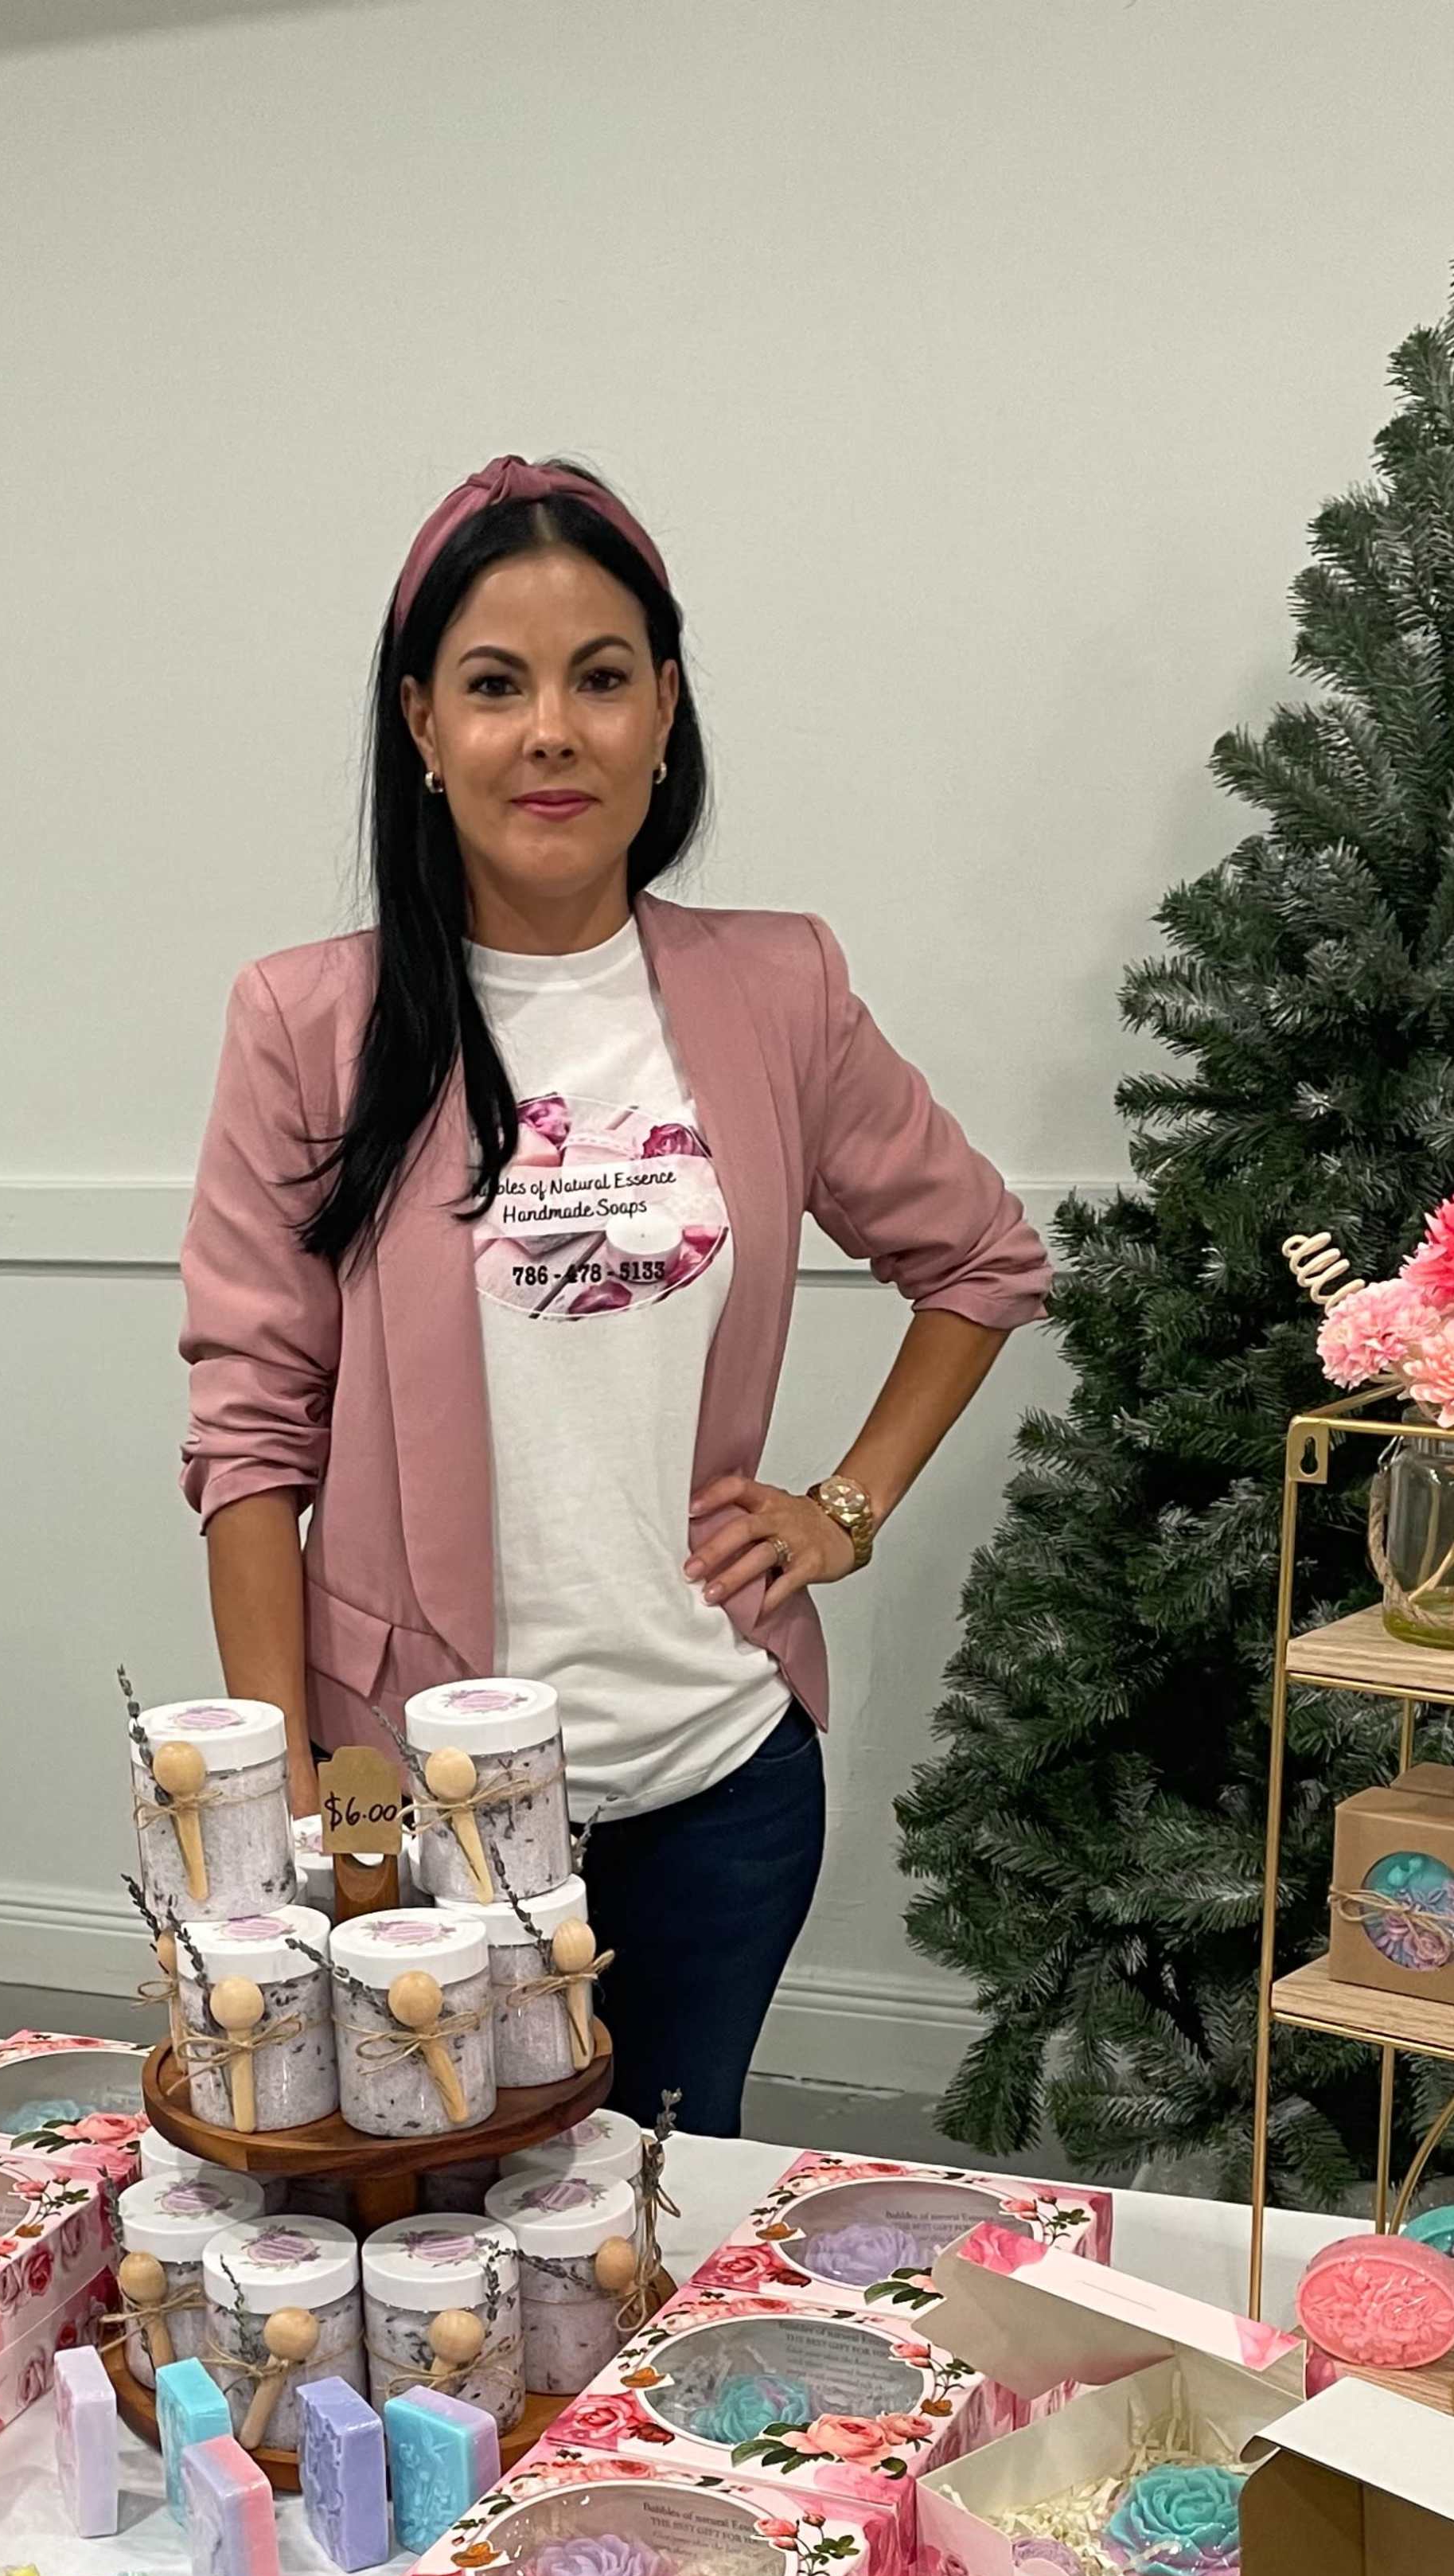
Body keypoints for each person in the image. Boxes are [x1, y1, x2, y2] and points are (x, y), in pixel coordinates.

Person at [177, 452, 1048, 2132]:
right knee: (436, 2235)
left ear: (666, 710)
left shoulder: (775, 987)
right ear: (422, 726)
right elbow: (247, 1433)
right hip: (413, 1807)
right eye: (496, 686)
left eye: (600, 678)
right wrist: (287, 1800)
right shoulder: (310, 1023)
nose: (552, 732)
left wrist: (846, 1508)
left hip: (719, 1780)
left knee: (662, 2213)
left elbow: (983, 1259)